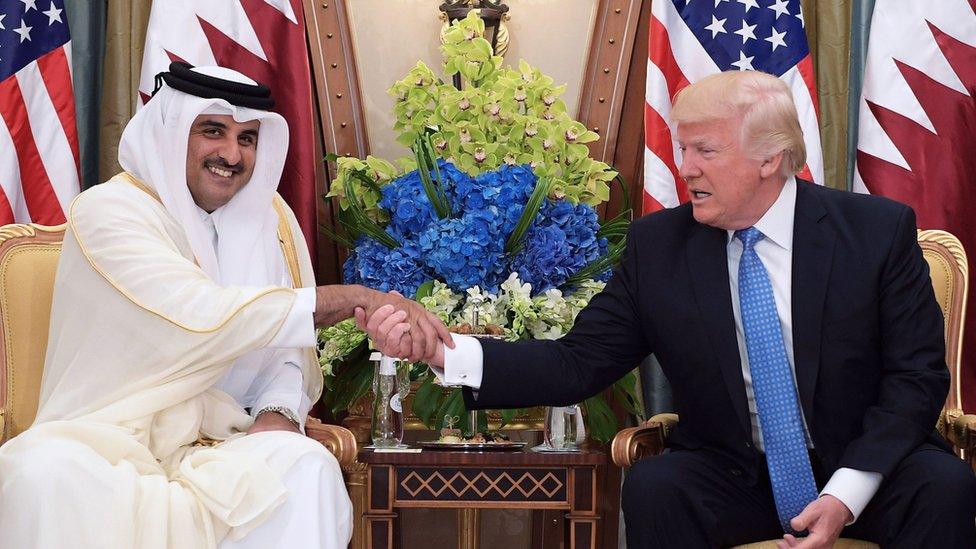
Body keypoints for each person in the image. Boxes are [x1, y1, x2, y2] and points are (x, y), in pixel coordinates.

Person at [362, 70, 976, 548]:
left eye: (705, 151)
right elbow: (580, 362)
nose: (686, 170)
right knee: (659, 486)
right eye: (683, 151)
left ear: (769, 158)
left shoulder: (873, 232)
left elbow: (915, 379)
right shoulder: (661, 247)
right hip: (736, 474)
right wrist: (448, 354)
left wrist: (845, 494)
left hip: (863, 465)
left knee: (945, 488)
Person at [0, 62, 451, 549]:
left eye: (248, 138)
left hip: (224, 442)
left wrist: (279, 411)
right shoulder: (109, 211)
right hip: (109, 440)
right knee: (40, 472)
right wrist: (355, 298)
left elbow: (287, 352)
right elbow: (200, 314)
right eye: (212, 131)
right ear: (172, 133)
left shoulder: (270, 219)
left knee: (307, 466)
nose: (231, 155)